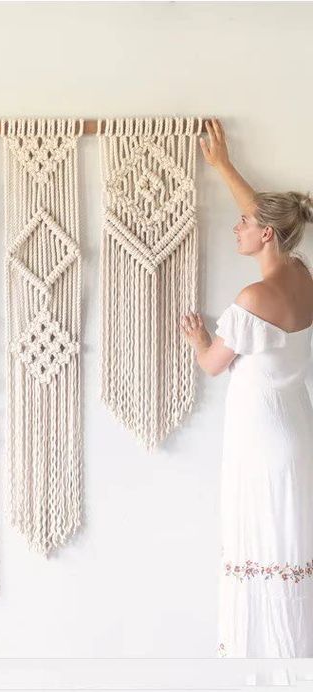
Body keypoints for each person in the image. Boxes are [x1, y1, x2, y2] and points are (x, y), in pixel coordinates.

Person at [180, 119, 313, 657]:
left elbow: (214, 364)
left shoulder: (254, 298)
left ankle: (259, 661)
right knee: (288, 549)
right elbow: (264, 212)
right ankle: (294, 659)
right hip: (296, 434)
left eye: (244, 223)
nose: (236, 227)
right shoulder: (303, 275)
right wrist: (223, 166)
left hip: (261, 444)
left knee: (259, 545)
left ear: (267, 234)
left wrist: (197, 337)